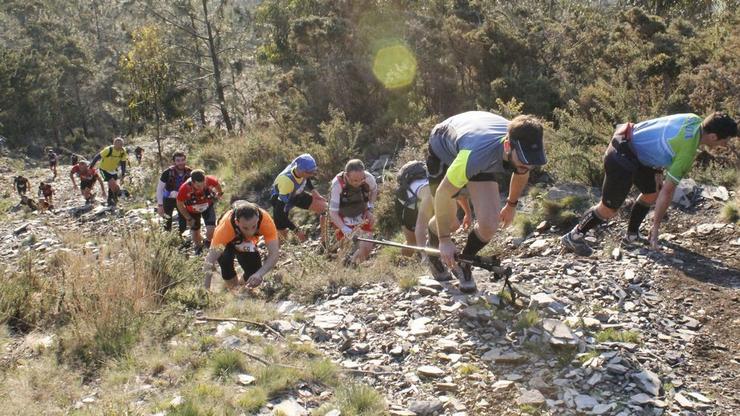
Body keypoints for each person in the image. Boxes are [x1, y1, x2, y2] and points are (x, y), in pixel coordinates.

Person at [561, 112, 738, 255]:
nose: (725, 144)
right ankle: (574, 236)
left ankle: (631, 236)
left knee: (652, 191)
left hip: (634, 149)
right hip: (621, 155)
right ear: (713, 137)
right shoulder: (687, 152)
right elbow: (668, 193)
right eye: (725, 140)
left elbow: (660, 134)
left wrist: (658, 169)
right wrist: (655, 231)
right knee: (609, 209)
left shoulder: (693, 119)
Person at [426, 111, 546, 293]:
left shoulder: (524, 146)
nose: (528, 167)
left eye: (532, 162)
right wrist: (444, 240)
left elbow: (522, 172)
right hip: (443, 147)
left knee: (490, 224)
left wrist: (511, 205)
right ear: (508, 146)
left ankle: (465, 262)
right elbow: (443, 194)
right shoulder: (476, 155)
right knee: (450, 222)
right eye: (523, 161)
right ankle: (432, 248)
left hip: (478, 145)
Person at [394, 160, 472, 256]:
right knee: (412, 243)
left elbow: (460, 196)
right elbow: (420, 228)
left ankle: (432, 239)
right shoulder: (429, 198)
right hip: (407, 205)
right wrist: (426, 257)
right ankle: (403, 254)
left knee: (454, 224)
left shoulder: (447, 187)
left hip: (424, 193)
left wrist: (468, 213)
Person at [202, 200, 280, 290]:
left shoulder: (266, 222)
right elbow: (210, 260)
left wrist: (259, 274)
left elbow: (274, 254)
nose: (250, 232)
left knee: (254, 271)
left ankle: (241, 286)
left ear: (258, 219)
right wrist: (205, 290)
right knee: (226, 261)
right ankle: (233, 289)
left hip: (247, 242)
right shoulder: (225, 229)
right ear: (236, 222)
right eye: (245, 228)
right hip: (229, 239)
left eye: (254, 226)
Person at [328, 159, 378, 265]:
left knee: (367, 246)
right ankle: (343, 267)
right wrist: (344, 229)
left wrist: (370, 208)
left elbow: (374, 190)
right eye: (355, 180)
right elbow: (333, 213)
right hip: (342, 215)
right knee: (346, 247)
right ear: (346, 175)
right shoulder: (337, 185)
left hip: (362, 211)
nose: (359, 183)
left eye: (361, 179)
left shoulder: (369, 178)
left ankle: (355, 266)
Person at [270, 153, 328, 242]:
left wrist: (314, 191)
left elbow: (307, 177)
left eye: (313, 171)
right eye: (310, 172)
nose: (312, 174)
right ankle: (279, 253)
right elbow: (279, 213)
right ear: (301, 170)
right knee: (282, 236)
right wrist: (296, 231)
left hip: (296, 194)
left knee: (326, 208)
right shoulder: (287, 182)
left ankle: (324, 242)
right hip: (281, 201)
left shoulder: (300, 169)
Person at [176, 169, 223, 254]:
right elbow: (179, 204)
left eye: (203, 185)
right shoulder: (184, 188)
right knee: (195, 233)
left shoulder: (210, 180)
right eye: (198, 186)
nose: (201, 188)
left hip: (207, 206)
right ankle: (198, 249)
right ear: (192, 182)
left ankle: (208, 244)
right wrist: (188, 218)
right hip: (192, 211)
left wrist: (219, 194)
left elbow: (217, 185)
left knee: (211, 230)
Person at [156, 151, 192, 234]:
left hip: (182, 200)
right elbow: (159, 189)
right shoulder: (167, 173)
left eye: (182, 160)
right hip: (168, 199)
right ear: (174, 162)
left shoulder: (190, 172)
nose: (181, 163)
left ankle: (180, 236)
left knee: (183, 219)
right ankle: (167, 237)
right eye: (178, 160)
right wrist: (160, 205)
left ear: (185, 160)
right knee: (167, 219)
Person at [90, 137, 129, 206]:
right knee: (112, 183)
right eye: (119, 144)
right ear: (114, 144)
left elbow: (123, 163)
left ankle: (111, 199)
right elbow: (97, 157)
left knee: (113, 186)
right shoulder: (108, 150)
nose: (121, 146)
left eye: (122, 144)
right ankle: (115, 197)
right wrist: (91, 167)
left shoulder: (123, 151)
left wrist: (123, 173)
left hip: (113, 170)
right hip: (103, 169)